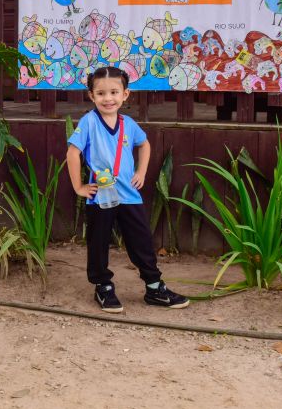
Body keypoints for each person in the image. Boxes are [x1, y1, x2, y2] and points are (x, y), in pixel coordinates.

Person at [66, 66, 190, 313]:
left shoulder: (129, 124)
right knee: (99, 242)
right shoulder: (89, 122)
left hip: (129, 196)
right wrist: (79, 186)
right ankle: (103, 287)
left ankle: (154, 287)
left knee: (141, 240)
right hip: (101, 197)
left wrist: (141, 172)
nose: (108, 98)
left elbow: (144, 145)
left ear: (125, 94)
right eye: (101, 93)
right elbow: (73, 152)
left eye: (114, 92)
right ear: (91, 96)